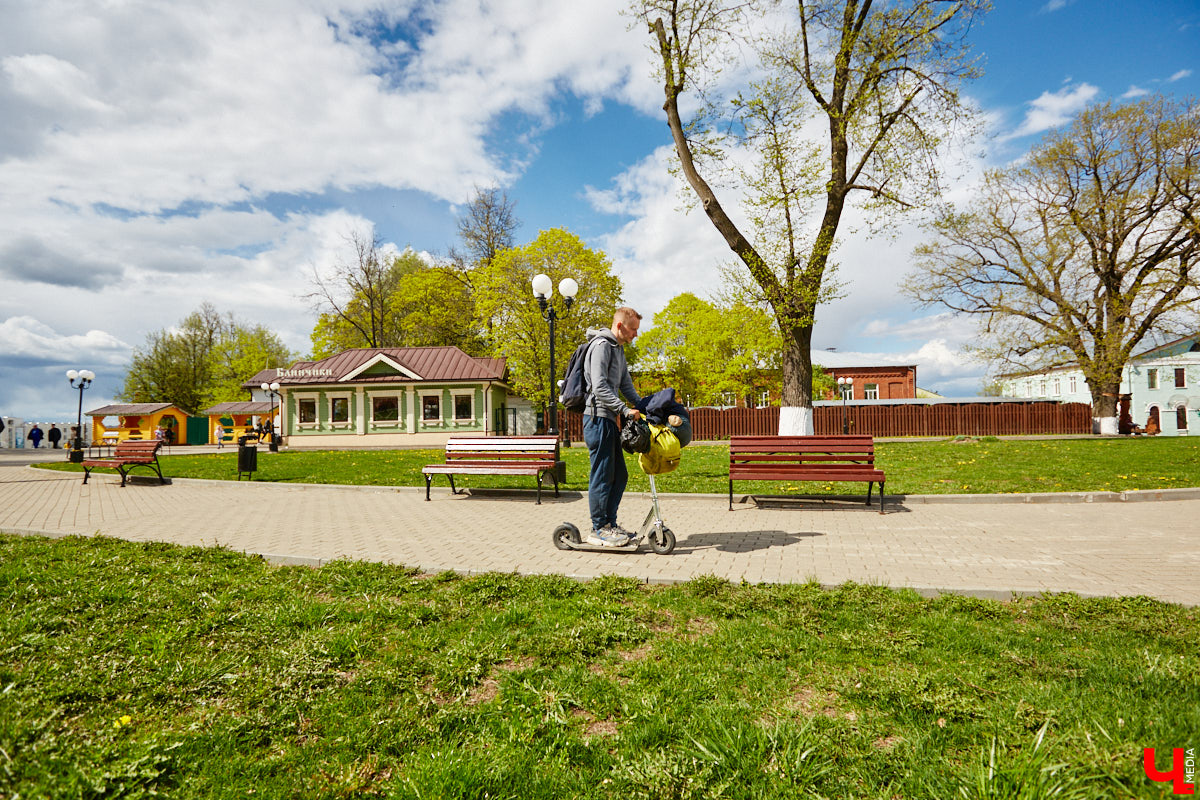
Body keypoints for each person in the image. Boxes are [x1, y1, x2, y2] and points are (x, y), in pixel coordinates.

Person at [582, 306, 644, 546]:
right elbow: (599, 386)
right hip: (597, 419)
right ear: (620, 326)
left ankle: (610, 523)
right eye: (633, 329)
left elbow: (626, 386)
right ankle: (598, 528)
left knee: (619, 475)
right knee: (602, 474)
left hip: (609, 419)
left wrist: (646, 407)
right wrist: (625, 410)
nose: (635, 335)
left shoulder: (618, 350)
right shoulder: (601, 346)